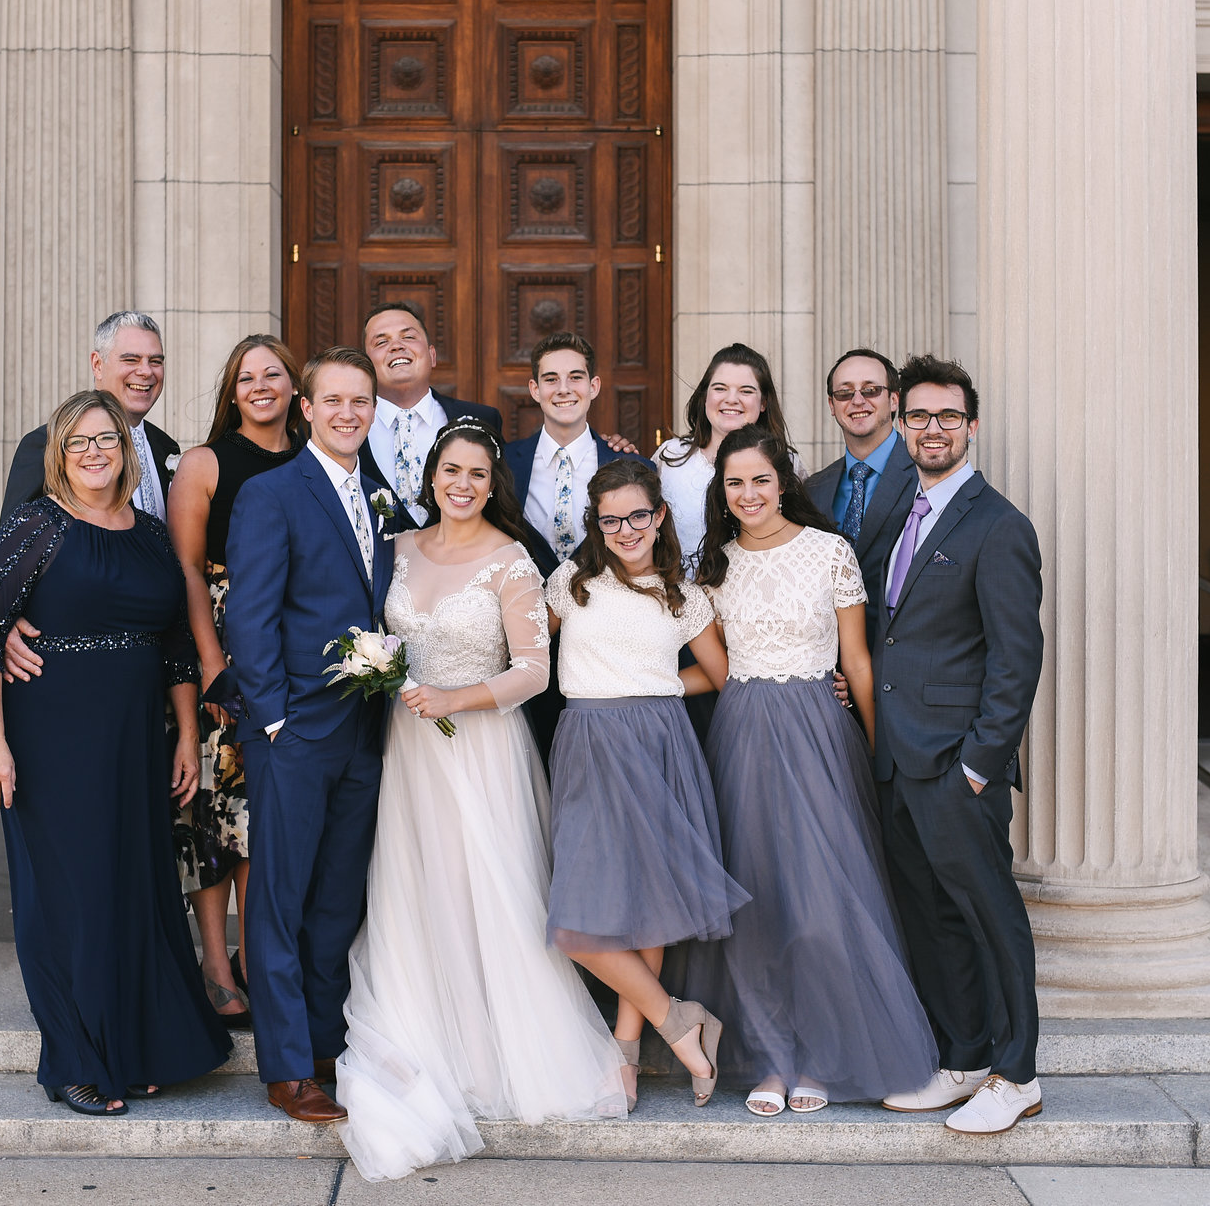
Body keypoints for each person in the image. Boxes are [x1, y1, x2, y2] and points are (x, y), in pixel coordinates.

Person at [337, 421, 627, 1181]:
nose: (460, 483)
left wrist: (456, 697)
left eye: (475, 473)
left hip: (481, 748)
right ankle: (439, 1038)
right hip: (405, 748)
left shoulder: (511, 561)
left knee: (488, 893)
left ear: (491, 481)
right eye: (449, 470)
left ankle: (502, 1046)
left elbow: (535, 669)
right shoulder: (394, 549)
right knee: (416, 890)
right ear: (431, 475)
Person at [0, 389, 232, 1116]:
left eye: (105, 439)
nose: (91, 452)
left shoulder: (148, 532)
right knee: (68, 896)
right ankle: (75, 1058)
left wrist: (184, 736)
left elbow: (176, 645)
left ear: (124, 450)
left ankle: (139, 1047)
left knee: (136, 888)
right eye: (77, 441)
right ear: (58, 452)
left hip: (138, 737)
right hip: (52, 737)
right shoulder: (36, 525)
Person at [678, 424, 935, 1116]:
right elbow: (717, 672)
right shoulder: (715, 568)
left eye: (761, 478)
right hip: (744, 734)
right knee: (757, 904)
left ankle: (823, 1051)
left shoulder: (830, 553)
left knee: (825, 900)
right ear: (722, 492)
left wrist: (882, 754)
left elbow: (857, 661)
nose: (749, 492)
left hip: (821, 734)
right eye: (735, 482)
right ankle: (770, 1055)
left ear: (782, 480)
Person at [872, 355, 1046, 1135]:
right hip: (896, 760)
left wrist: (979, 764)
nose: (932, 428)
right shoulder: (900, 512)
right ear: (901, 423)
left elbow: (1017, 659)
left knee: (987, 913)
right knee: (932, 915)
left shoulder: (1000, 525)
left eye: (947, 416)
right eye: (919, 415)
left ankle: (1018, 1072)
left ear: (971, 426)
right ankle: (966, 1054)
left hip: (955, 766)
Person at [222, 347, 395, 1125]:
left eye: (361, 401)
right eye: (334, 400)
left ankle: (326, 1044)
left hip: (366, 727)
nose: (348, 412)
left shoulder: (384, 493)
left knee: (337, 898)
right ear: (307, 406)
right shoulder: (271, 492)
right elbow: (250, 615)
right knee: (281, 900)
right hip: (293, 728)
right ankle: (287, 1065)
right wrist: (274, 718)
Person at [543, 457, 747, 1111]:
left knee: (647, 903)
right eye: (611, 519)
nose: (626, 528)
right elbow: (521, 654)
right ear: (596, 525)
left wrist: (653, 691)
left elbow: (716, 674)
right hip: (586, 740)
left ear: (658, 515)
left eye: (638, 514)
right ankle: (679, 1020)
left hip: (657, 740)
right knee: (579, 923)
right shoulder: (570, 584)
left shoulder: (683, 593)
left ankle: (624, 1056)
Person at [165, 334, 305, 1028]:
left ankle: (255, 955)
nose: (259, 385)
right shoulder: (206, 463)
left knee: (262, 813)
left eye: (272, 374)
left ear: (292, 386)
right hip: (222, 643)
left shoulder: (314, 458)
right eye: (246, 376)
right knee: (215, 812)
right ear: (232, 390)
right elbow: (186, 568)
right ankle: (215, 962)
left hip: (292, 645)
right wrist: (216, 665)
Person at [504, 333, 630, 752]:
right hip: (521, 643)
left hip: (604, 644)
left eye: (575, 377)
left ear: (593, 387)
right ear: (534, 390)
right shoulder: (502, 463)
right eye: (551, 379)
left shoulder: (629, 464)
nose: (564, 389)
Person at [0, 311, 179, 527]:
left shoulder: (166, 446)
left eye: (155, 361)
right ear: (97, 364)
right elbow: (16, 546)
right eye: (131, 359)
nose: (145, 371)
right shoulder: (47, 443)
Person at [803, 347, 918, 648]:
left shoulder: (926, 477)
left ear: (894, 400)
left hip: (902, 663)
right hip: (830, 669)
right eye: (844, 393)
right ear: (831, 405)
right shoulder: (812, 490)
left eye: (871, 390)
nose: (857, 400)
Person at [652, 344, 794, 577]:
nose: (731, 399)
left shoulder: (784, 461)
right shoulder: (670, 456)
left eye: (746, 391)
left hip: (756, 597)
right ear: (705, 396)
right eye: (720, 388)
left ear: (763, 403)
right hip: (678, 601)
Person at [360, 302, 504, 525]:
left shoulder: (483, 419)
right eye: (381, 341)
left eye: (408, 337)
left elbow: (501, 507)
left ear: (432, 355)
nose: (396, 346)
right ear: (365, 366)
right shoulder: (348, 428)